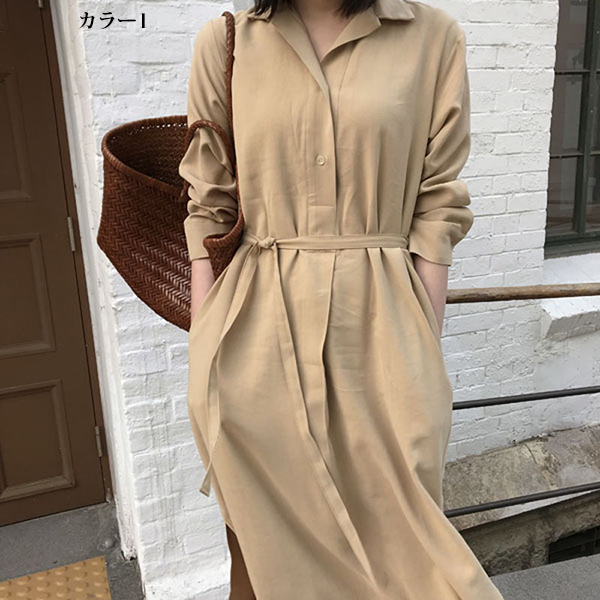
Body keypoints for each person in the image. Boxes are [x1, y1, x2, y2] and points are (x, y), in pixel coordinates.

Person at [179, 0, 505, 598]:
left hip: (385, 339)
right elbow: (208, 208)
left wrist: (422, 347)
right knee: (269, 554)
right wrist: (204, 353)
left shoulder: (434, 39)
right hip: (254, 343)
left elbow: (437, 205)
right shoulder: (225, 43)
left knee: (409, 557)